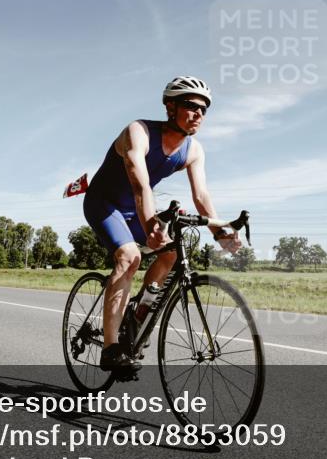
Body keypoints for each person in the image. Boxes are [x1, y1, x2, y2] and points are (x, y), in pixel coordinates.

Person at [83, 76, 241, 374]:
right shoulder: (138, 132)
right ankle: (110, 348)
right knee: (130, 257)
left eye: (204, 109)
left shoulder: (193, 150)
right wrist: (152, 224)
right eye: (191, 106)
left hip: (135, 210)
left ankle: (137, 313)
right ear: (170, 106)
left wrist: (220, 231)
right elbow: (140, 184)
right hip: (104, 204)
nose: (198, 114)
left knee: (170, 255)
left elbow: (201, 195)